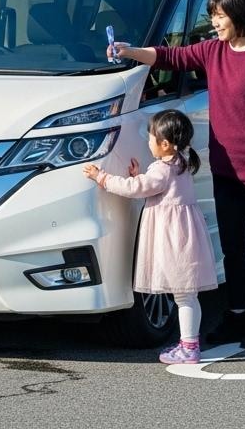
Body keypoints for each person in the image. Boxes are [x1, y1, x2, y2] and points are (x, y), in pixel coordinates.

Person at [110, 0, 245, 350]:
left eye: (219, 15)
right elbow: (172, 57)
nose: (214, 22)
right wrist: (129, 51)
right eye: (212, 15)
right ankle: (238, 315)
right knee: (232, 248)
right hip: (226, 169)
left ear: (239, 14)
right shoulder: (214, 52)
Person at [83, 109, 217, 365]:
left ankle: (189, 347)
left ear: (165, 144)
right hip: (183, 236)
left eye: (150, 138)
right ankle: (189, 343)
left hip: (172, 239)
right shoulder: (181, 162)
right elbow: (151, 188)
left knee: (183, 294)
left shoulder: (162, 169)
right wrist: (138, 175)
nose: (148, 142)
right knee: (187, 294)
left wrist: (101, 177)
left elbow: (136, 189)